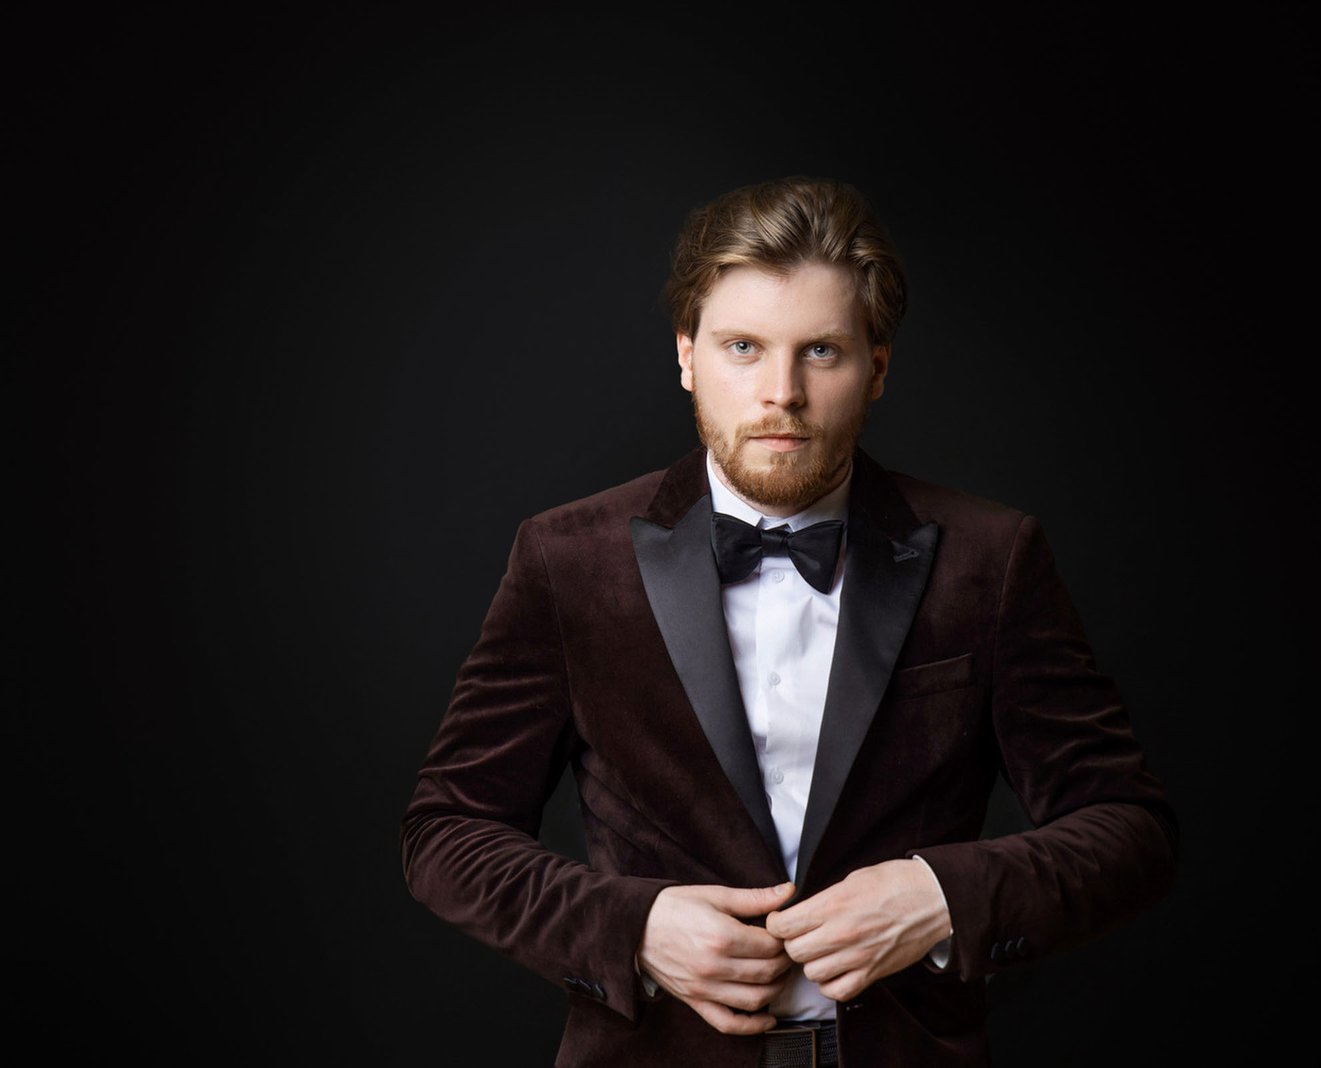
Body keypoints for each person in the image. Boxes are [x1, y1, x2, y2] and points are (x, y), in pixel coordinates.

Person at [401, 175, 1177, 1067]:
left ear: (877, 367)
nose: (782, 393)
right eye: (743, 347)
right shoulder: (565, 558)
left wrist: (944, 898)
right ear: (687, 355)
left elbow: (1131, 829)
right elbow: (445, 831)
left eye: (821, 352)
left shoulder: (992, 559)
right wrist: (634, 927)